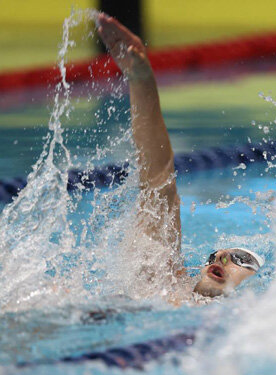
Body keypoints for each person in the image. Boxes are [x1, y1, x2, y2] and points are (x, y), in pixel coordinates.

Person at [96, 14, 264, 299]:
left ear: (256, 287)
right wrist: (140, 77)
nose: (221, 256)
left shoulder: (255, 324)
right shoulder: (164, 282)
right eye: (218, 254)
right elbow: (159, 181)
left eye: (241, 259)